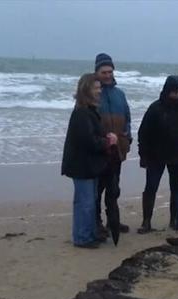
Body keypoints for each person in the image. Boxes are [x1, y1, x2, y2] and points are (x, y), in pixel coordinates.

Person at [137, 75, 178, 233]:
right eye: (174, 92)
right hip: (155, 156)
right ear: (166, 90)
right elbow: (143, 133)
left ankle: (174, 222)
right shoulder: (155, 108)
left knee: (176, 189)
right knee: (150, 188)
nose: (176, 95)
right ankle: (146, 223)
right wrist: (143, 155)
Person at [61, 73, 118, 248]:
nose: (99, 91)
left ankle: (90, 233)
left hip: (89, 165)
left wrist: (105, 137)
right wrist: (108, 141)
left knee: (89, 202)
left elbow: (92, 136)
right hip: (82, 166)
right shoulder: (82, 113)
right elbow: (89, 141)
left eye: (99, 88)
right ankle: (82, 238)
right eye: (96, 88)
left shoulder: (89, 111)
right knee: (85, 203)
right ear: (86, 90)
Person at [94, 53, 133, 239]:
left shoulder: (120, 94)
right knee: (96, 190)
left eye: (110, 71)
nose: (108, 75)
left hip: (117, 151)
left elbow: (128, 119)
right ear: (97, 72)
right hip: (98, 151)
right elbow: (85, 123)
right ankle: (96, 223)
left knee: (114, 189)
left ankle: (113, 221)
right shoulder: (92, 94)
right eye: (104, 72)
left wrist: (128, 138)